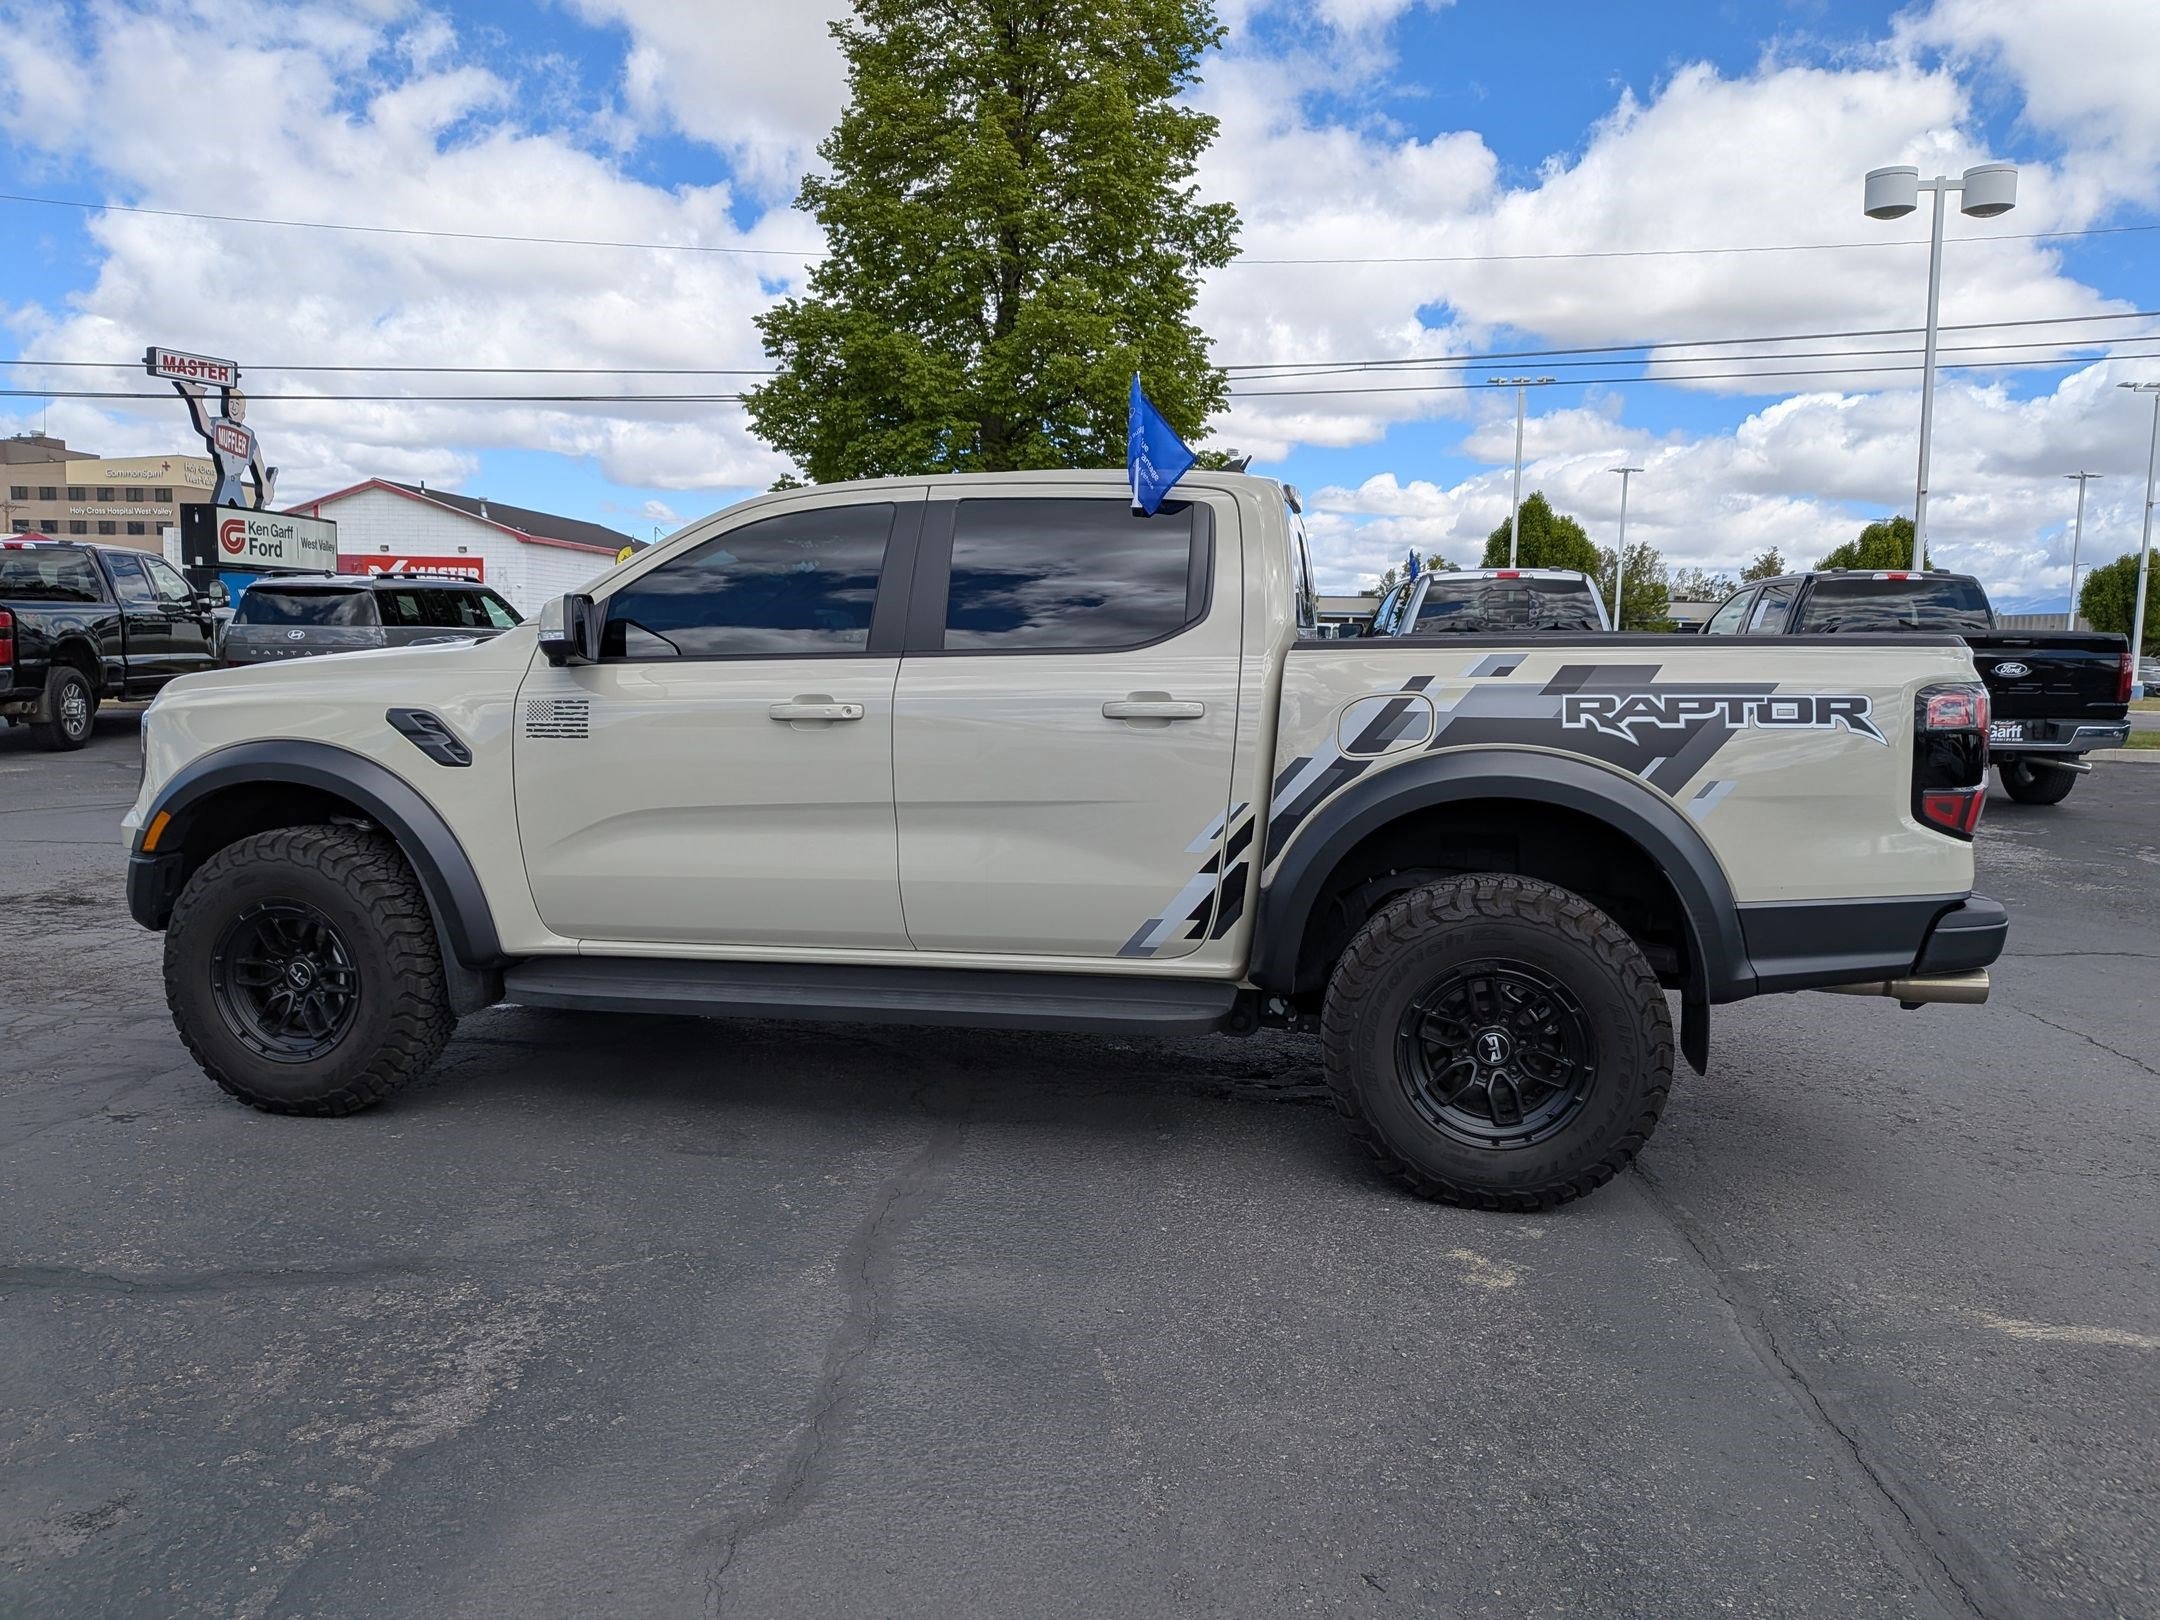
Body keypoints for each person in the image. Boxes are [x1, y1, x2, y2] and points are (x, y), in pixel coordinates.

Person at [176, 381, 277, 509]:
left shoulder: (249, 436)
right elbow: (205, 424)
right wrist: (196, 400)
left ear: (243, 413)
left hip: (236, 482)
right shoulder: (220, 425)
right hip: (225, 481)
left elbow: (258, 461)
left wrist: (265, 484)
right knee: (218, 515)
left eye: (237, 404)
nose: (234, 407)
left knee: (241, 517)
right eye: (231, 403)